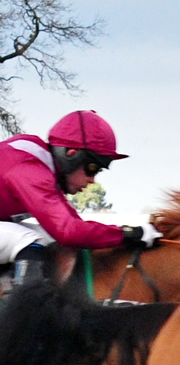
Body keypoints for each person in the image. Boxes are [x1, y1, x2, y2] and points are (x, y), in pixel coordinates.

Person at [0, 110, 161, 287]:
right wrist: (128, 234)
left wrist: (127, 233)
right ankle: (25, 313)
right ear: (71, 154)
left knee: (50, 239)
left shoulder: (40, 164)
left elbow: (75, 226)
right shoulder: (30, 168)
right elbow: (69, 231)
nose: (92, 180)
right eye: (92, 168)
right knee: (28, 241)